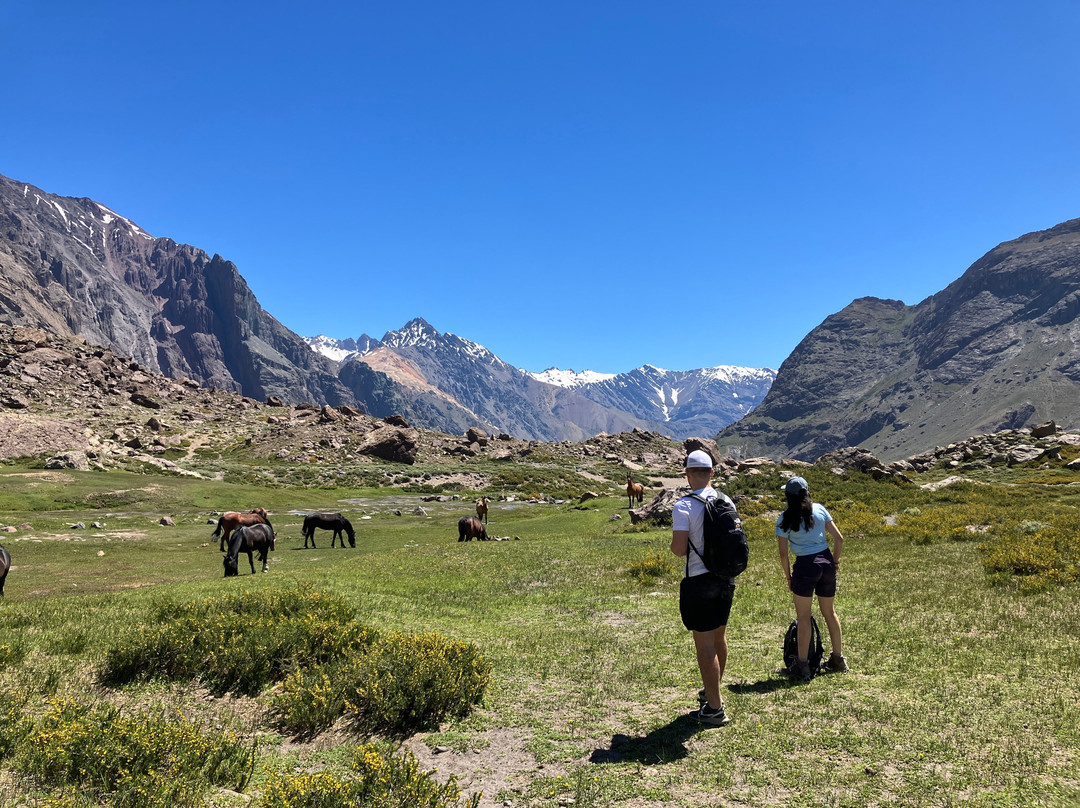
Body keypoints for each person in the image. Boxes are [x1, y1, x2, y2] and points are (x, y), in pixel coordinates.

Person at [670, 449, 737, 726]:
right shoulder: (726, 500)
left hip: (699, 581)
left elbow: (679, 549)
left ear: (687, 474)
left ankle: (714, 708)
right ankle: (713, 691)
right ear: (712, 473)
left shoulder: (683, 506)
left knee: (704, 646)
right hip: (726, 579)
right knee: (719, 637)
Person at [775, 476, 848, 680]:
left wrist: (788, 576)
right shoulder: (820, 509)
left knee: (804, 616)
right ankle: (837, 658)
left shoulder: (784, 518)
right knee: (830, 612)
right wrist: (834, 561)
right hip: (825, 561)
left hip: (805, 566)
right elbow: (839, 539)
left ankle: (802, 665)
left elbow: (782, 553)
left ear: (788, 496)